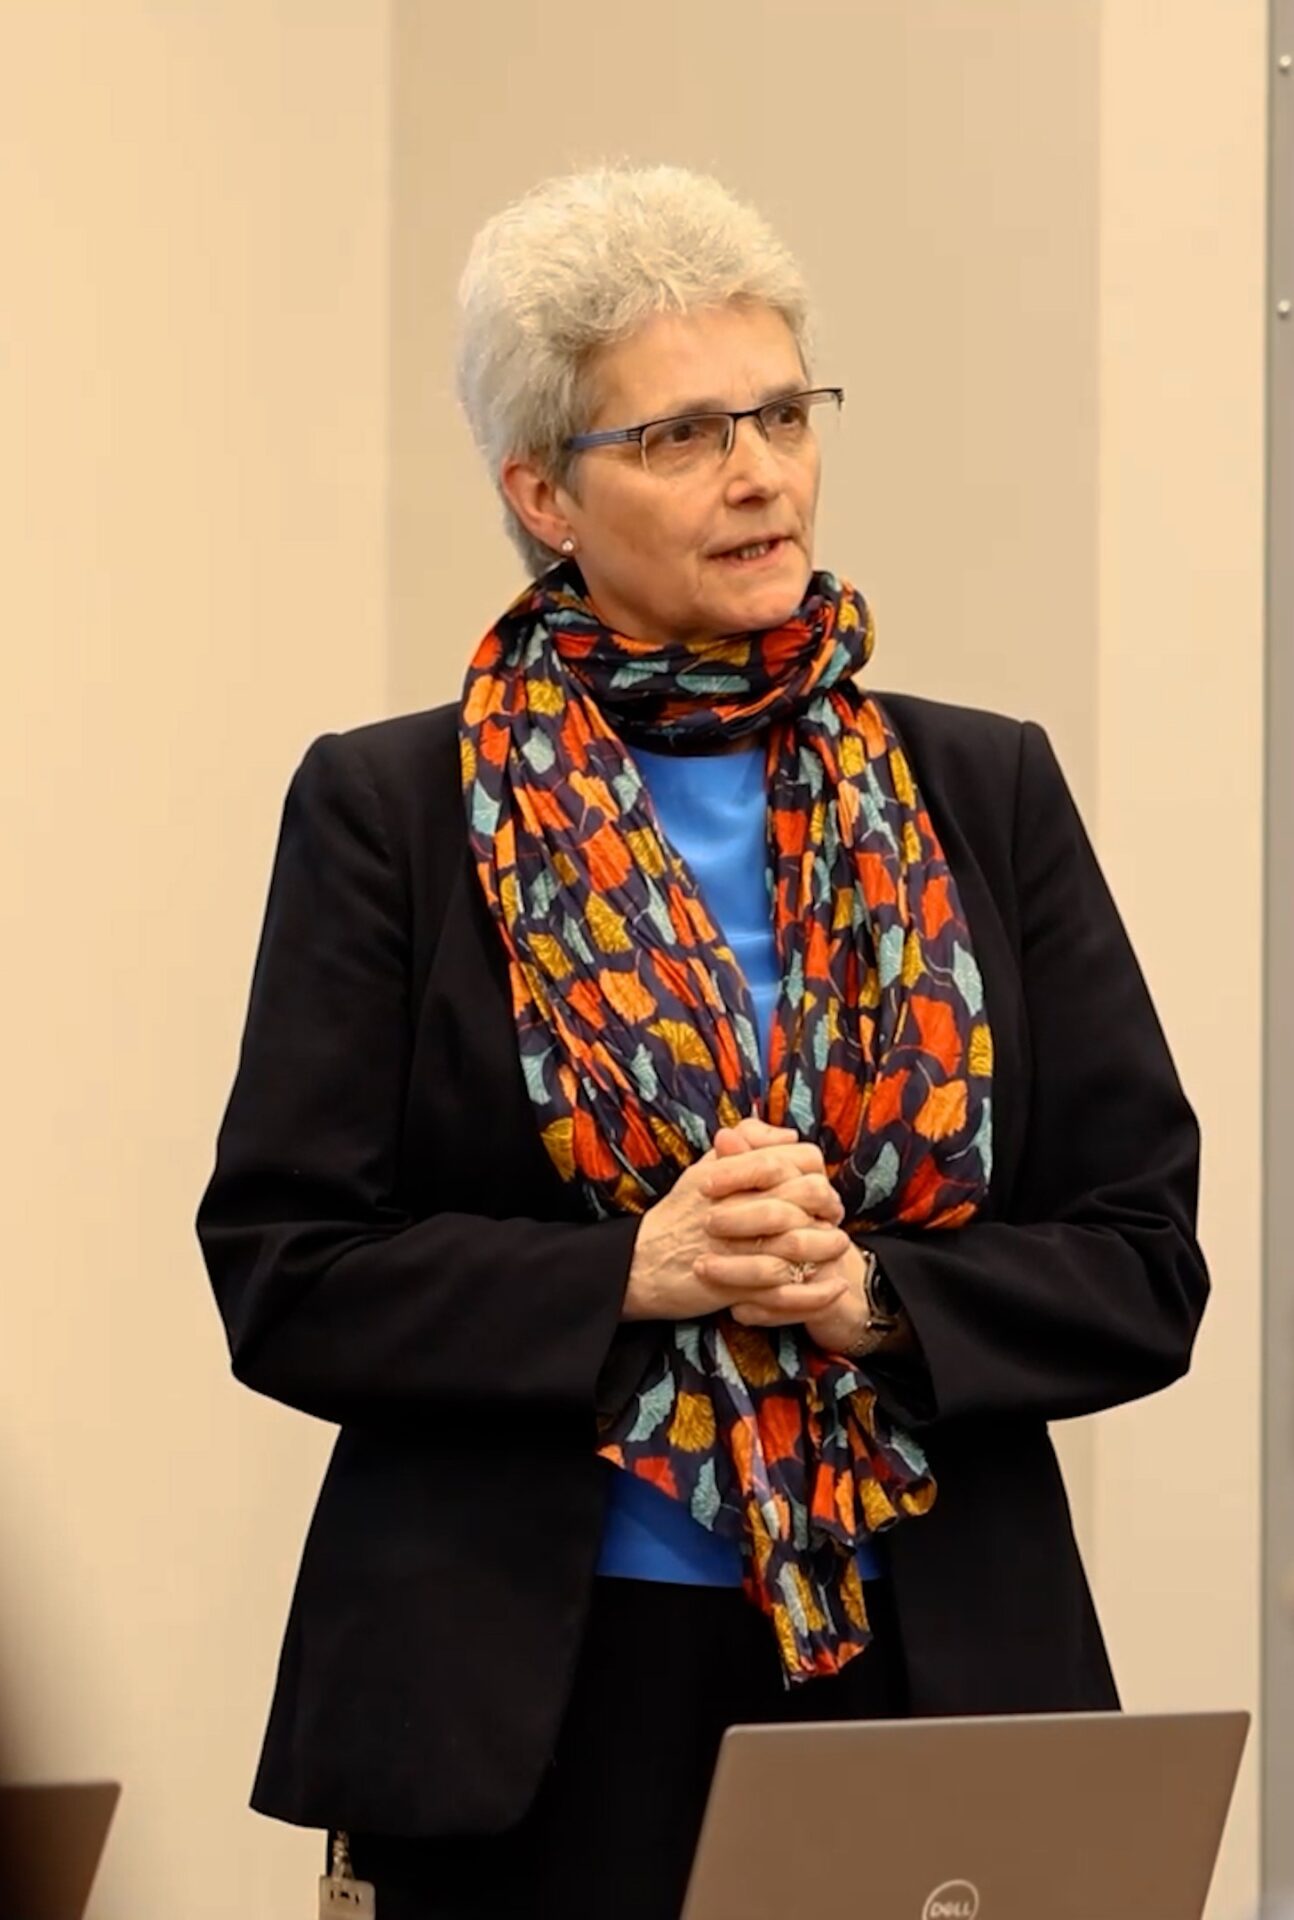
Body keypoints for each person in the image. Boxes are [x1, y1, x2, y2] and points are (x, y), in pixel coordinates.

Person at [196, 165, 1209, 1920]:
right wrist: (632, 1275)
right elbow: (286, 1268)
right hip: (535, 1704)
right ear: (541, 493)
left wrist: (868, 1296)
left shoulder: (983, 786)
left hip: (924, 1662)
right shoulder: (392, 810)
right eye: (678, 437)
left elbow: (1141, 1259)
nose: (757, 472)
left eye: (779, 412)